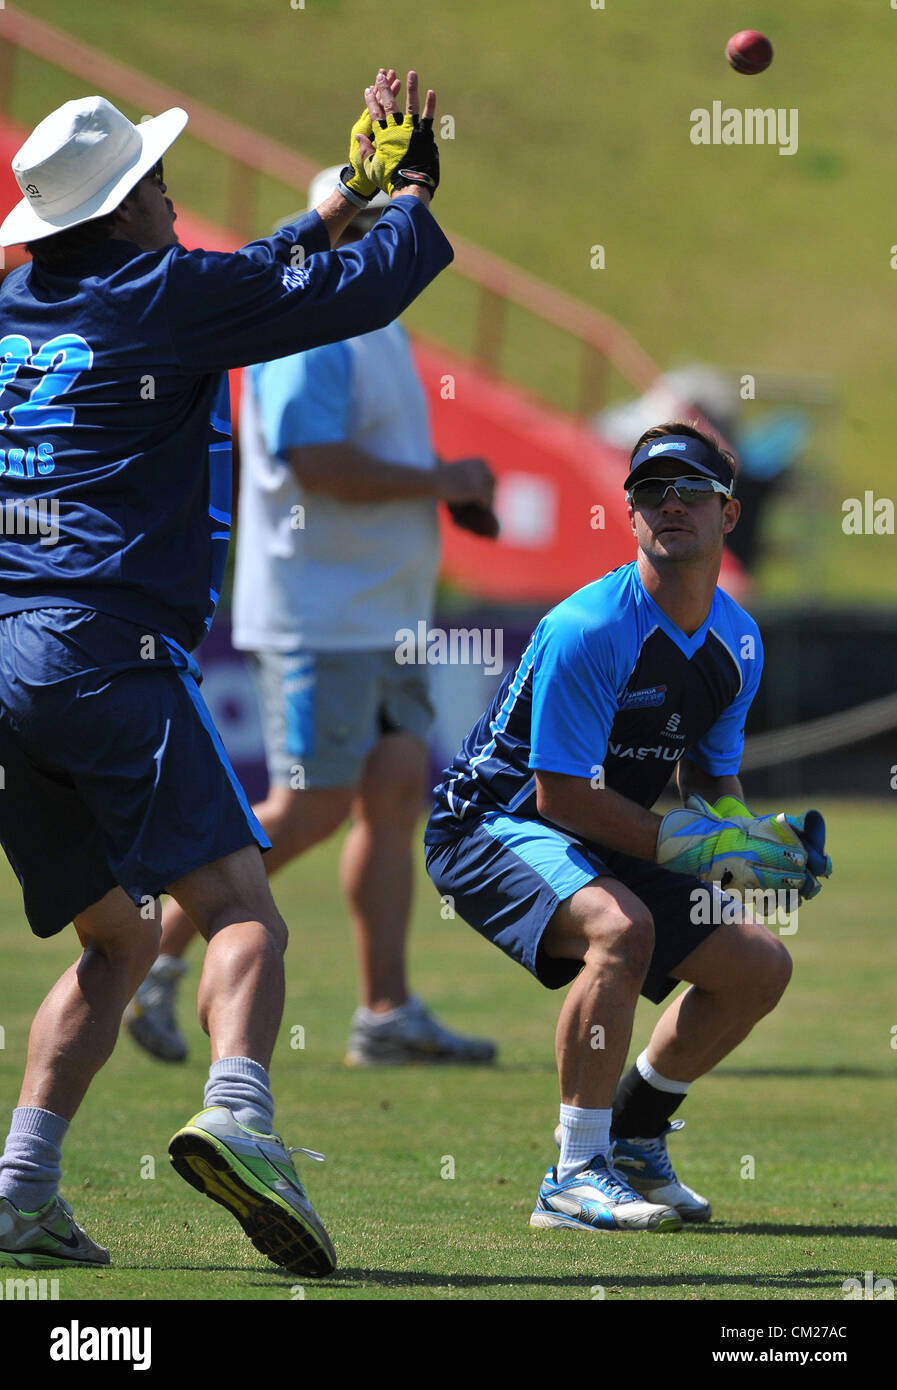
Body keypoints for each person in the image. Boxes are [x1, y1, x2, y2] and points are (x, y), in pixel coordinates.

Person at [0, 68, 450, 1276]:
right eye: (159, 180)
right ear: (130, 203)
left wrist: (340, 197)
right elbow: (359, 290)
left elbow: (246, 277)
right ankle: (241, 1114)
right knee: (243, 912)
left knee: (117, 940)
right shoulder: (163, 296)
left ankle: (21, 1191)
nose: (174, 196)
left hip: (6, 662)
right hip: (105, 645)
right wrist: (406, 195)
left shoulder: (15, 306)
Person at [125, 165, 498, 1069]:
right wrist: (443, 482)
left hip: (380, 609)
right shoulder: (314, 331)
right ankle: (148, 963)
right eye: (379, 217)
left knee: (394, 790)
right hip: (320, 612)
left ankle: (385, 1013)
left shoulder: (366, 322)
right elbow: (310, 460)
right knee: (313, 803)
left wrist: (437, 489)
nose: (390, 236)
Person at [424, 422, 831, 1233]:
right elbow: (561, 798)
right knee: (621, 928)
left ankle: (636, 1138)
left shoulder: (737, 640)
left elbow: (708, 776)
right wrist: (707, 849)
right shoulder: (589, 628)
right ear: (630, 516)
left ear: (729, 515)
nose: (670, 503)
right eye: (650, 492)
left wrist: (747, 844)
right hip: (488, 823)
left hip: (594, 829)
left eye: (691, 491)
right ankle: (573, 1174)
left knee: (756, 965)